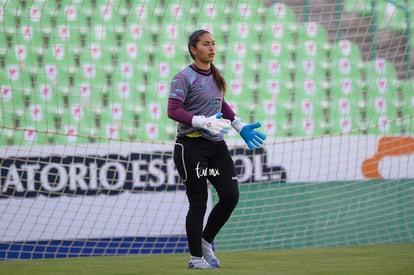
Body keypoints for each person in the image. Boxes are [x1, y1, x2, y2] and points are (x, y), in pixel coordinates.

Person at [167, 29, 266, 270]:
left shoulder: (215, 75)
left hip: (216, 147)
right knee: (198, 202)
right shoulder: (183, 78)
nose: (211, 48)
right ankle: (195, 259)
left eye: (213, 44)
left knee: (231, 196)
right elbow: (173, 110)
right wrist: (202, 121)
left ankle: (206, 241)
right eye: (205, 44)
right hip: (190, 147)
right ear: (193, 49)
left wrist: (239, 125)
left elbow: (221, 103)